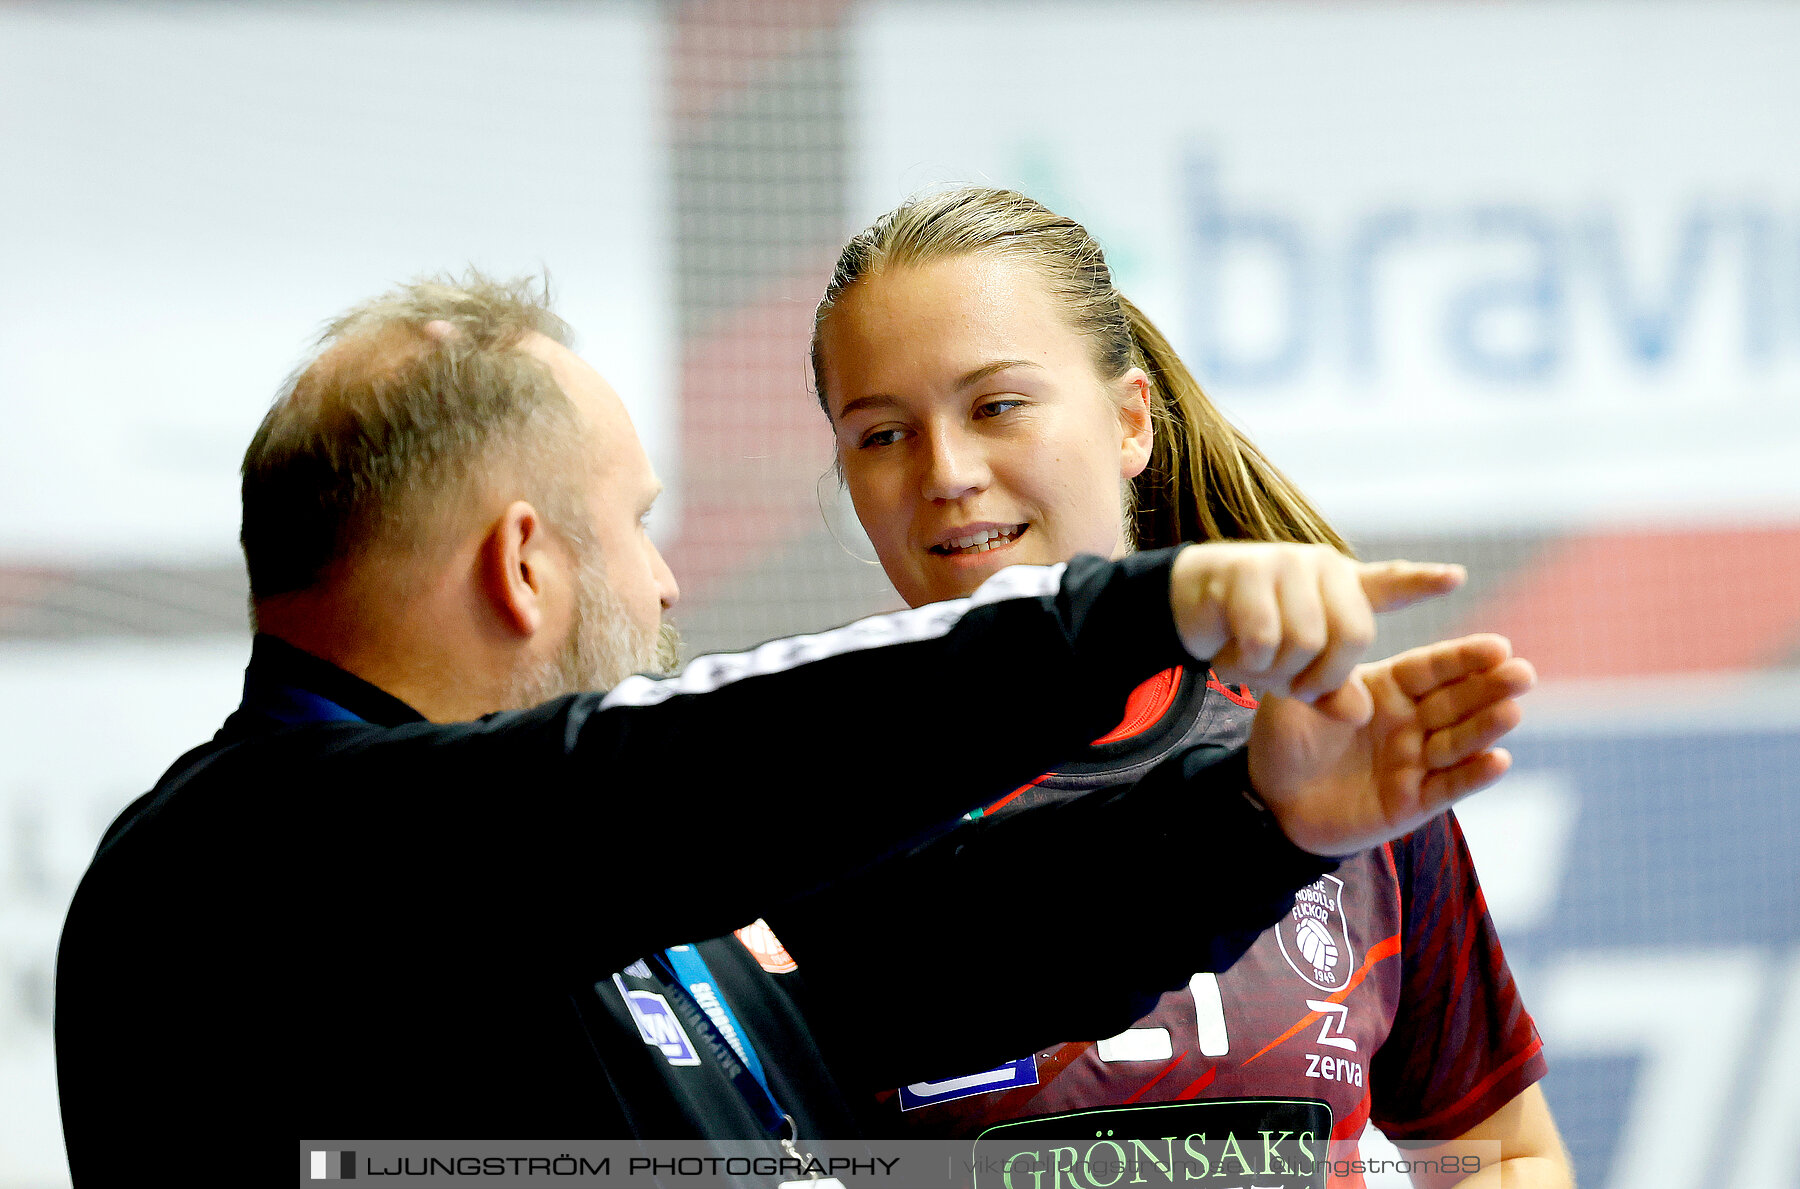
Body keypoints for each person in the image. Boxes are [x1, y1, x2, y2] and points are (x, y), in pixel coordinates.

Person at [54, 274, 1527, 1182]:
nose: (665, 577)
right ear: (522, 561)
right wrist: (1132, 614)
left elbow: (937, 942)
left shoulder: (576, 885)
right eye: (634, 526)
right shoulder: (248, 858)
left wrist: (1255, 818)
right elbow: (696, 768)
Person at [778, 188, 1573, 1187]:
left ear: (1128, 423)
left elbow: (1507, 1157)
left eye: (997, 406)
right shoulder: (795, 799)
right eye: (882, 433)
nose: (946, 471)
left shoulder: (1326, 747)